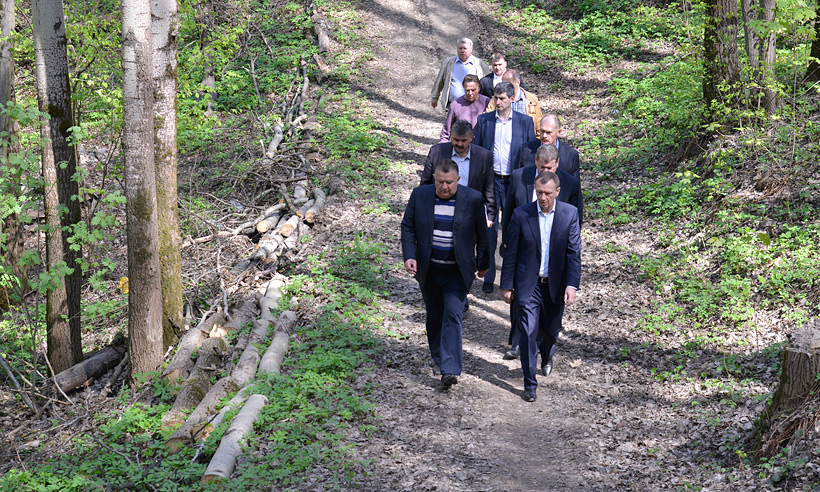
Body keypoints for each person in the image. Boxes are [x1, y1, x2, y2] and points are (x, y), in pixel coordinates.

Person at [401, 159, 490, 387]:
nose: (445, 187)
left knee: (453, 313)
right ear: (434, 179)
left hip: (457, 270)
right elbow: (408, 226)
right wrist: (410, 255)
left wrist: (483, 263)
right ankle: (440, 358)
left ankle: (450, 369)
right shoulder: (420, 195)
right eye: (440, 182)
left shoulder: (472, 199)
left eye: (449, 182)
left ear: (458, 180)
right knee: (435, 315)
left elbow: (482, 234)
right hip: (429, 269)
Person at [501, 171, 581, 402]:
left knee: (550, 330)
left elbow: (573, 253)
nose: (543, 198)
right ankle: (529, 383)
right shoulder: (521, 214)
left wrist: (572, 285)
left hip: (555, 285)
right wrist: (507, 285)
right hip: (529, 284)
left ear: (557, 192)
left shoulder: (569, 214)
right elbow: (511, 253)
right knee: (528, 332)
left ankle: (547, 355)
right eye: (539, 193)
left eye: (547, 193)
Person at [473, 82, 536, 293]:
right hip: (491, 181)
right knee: (489, 228)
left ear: (511, 99)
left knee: (514, 229)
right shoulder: (484, 121)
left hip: (514, 182)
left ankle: (511, 277)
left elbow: (530, 155)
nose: (498, 102)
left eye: (502, 98)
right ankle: (488, 275)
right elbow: (477, 152)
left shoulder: (525, 122)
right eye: (496, 98)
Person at [422, 120, 496, 227]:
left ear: (471, 138)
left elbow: (489, 188)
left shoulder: (484, 156)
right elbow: (425, 183)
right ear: (451, 137)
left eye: (463, 140)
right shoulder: (436, 152)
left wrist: (490, 215)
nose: (459, 144)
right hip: (440, 208)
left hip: (470, 211)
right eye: (456, 140)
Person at [430, 37, 491, 111]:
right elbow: (439, 81)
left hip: (474, 107)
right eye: (460, 48)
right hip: (453, 106)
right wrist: (434, 98)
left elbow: (488, 83)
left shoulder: (479, 64)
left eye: (465, 48)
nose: (462, 51)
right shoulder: (449, 63)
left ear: (471, 49)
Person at [518, 114, 581, 180]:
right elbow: (517, 179)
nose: (544, 136)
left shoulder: (570, 155)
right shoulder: (526, 151)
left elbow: (574, 184)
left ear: (558, 132)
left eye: (548, 132)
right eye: (542, 131)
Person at [484, 70, 542, 138]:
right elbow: (487, 119)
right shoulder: (496, 99)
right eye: (503, 83)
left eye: (508, 84)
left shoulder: (531, 99)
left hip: (526, 140)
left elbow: (539, 126)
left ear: (518, 82)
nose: (505, 87)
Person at [439, 75, 490, 142]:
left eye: (473, 90)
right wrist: (442, 146)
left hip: (481, 144)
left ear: (479, 89)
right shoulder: (455, 105)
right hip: (461, 145)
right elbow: (446, 131)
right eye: (467, 90)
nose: (470, 93)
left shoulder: (486, 102)